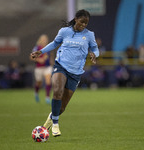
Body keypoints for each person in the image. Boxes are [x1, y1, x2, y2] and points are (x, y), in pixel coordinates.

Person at [30, 9, 99, 137]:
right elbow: (55, 43)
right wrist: (41, 51)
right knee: (57, 90)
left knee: (61, 108)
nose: (84, 25)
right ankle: (55, 124)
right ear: (76, 19)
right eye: (82, 22)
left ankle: (52, 117)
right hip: (61, 66)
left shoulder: (89, 35)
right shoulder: (64, 31)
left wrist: (95, 54)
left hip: (76, 72)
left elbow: (95, 48)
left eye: (86, 23)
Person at [30, 34, 53, 104]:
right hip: (39, 68)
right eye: (43, 39)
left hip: (47, 67)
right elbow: (31, 57)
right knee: (39, 83)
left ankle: (47, 97)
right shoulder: (37, 48)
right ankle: (36, 93)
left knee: (48, 81)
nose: (44, 41)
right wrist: (39, 60)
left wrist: (52, 62)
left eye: (45, 39)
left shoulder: (48, 47)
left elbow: (51, 57)